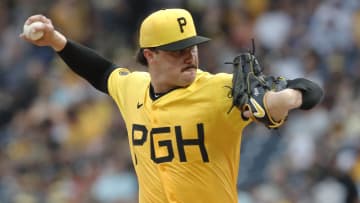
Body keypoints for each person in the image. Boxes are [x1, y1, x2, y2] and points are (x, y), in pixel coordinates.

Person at [21, 8, 322, 203]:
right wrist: (56, 40)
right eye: (178, 50)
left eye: (192, 47)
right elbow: (101, 71)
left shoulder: (220, 89)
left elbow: (311, 90)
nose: (190, 56)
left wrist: (286, 99)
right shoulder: (133, 87)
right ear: (150, 55)